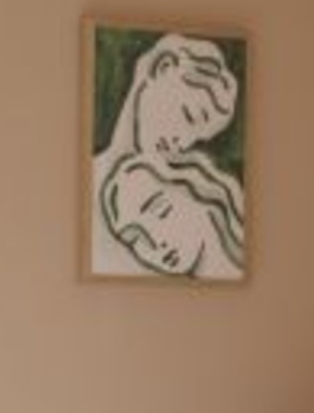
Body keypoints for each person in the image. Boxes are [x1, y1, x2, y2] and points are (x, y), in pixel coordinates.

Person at [92, 33, 246, 279]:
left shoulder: (192, 201)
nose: (182, 144)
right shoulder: (94, 186)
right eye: (189, 116)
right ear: (163, 68)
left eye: (196, 138)